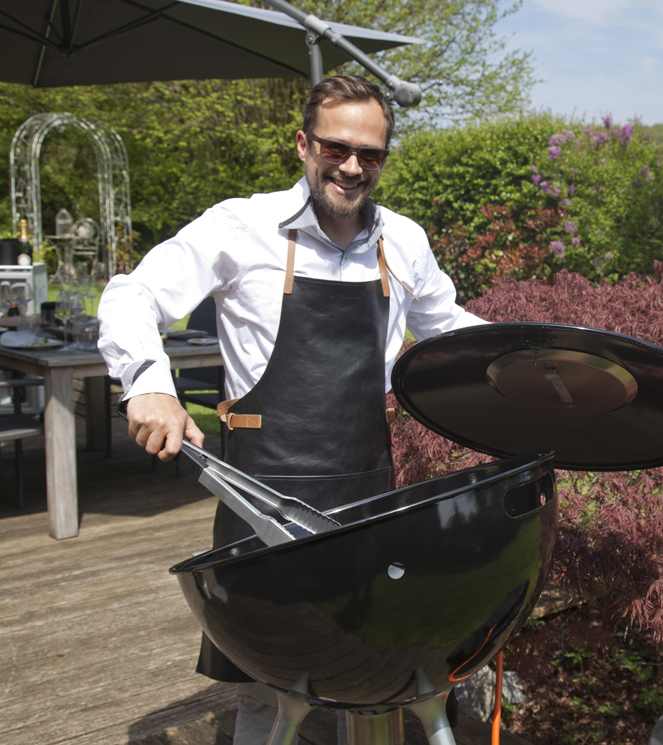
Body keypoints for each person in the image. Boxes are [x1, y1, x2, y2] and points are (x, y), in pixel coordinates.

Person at [98, 74, 486, 745]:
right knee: (266, 691)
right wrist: (148, 381)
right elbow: (133, 296)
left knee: (369, 674)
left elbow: (447, 329)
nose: (352, 166)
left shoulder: (403, 241)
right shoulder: (239, 226)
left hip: (368, 499)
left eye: (370, 154)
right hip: (261, 500)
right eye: (336, 148)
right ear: (303, 144)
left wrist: (527, 359)